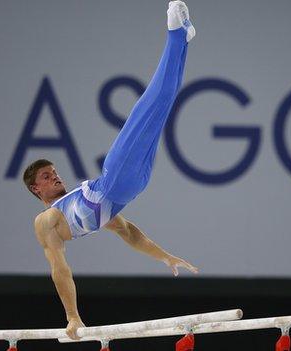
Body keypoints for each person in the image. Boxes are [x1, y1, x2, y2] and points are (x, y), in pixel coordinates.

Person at [22, 1, 198, 340]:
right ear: (36, 190)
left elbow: (129, 232)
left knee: (162, 101)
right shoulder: (48, 222)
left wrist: (164, 256)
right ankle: (176, 34)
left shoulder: (83, 206)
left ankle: (182, 37)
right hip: (121, 180)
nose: (54, 176)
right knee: (151, 103)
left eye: (53, 171)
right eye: (45, 177)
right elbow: (59, 269)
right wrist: (73, 317)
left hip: (125, 184)